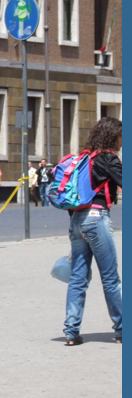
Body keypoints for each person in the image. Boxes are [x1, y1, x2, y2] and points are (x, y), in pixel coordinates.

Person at [63, 116, 122, 346]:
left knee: (77, 278)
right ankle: (122, 329)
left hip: (77, 220)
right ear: (112, 135)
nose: (122, 140)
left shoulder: (84, 157)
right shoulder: (108, 158)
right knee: (110, 279)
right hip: (96, 219)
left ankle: (70, 332)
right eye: (120, 135)